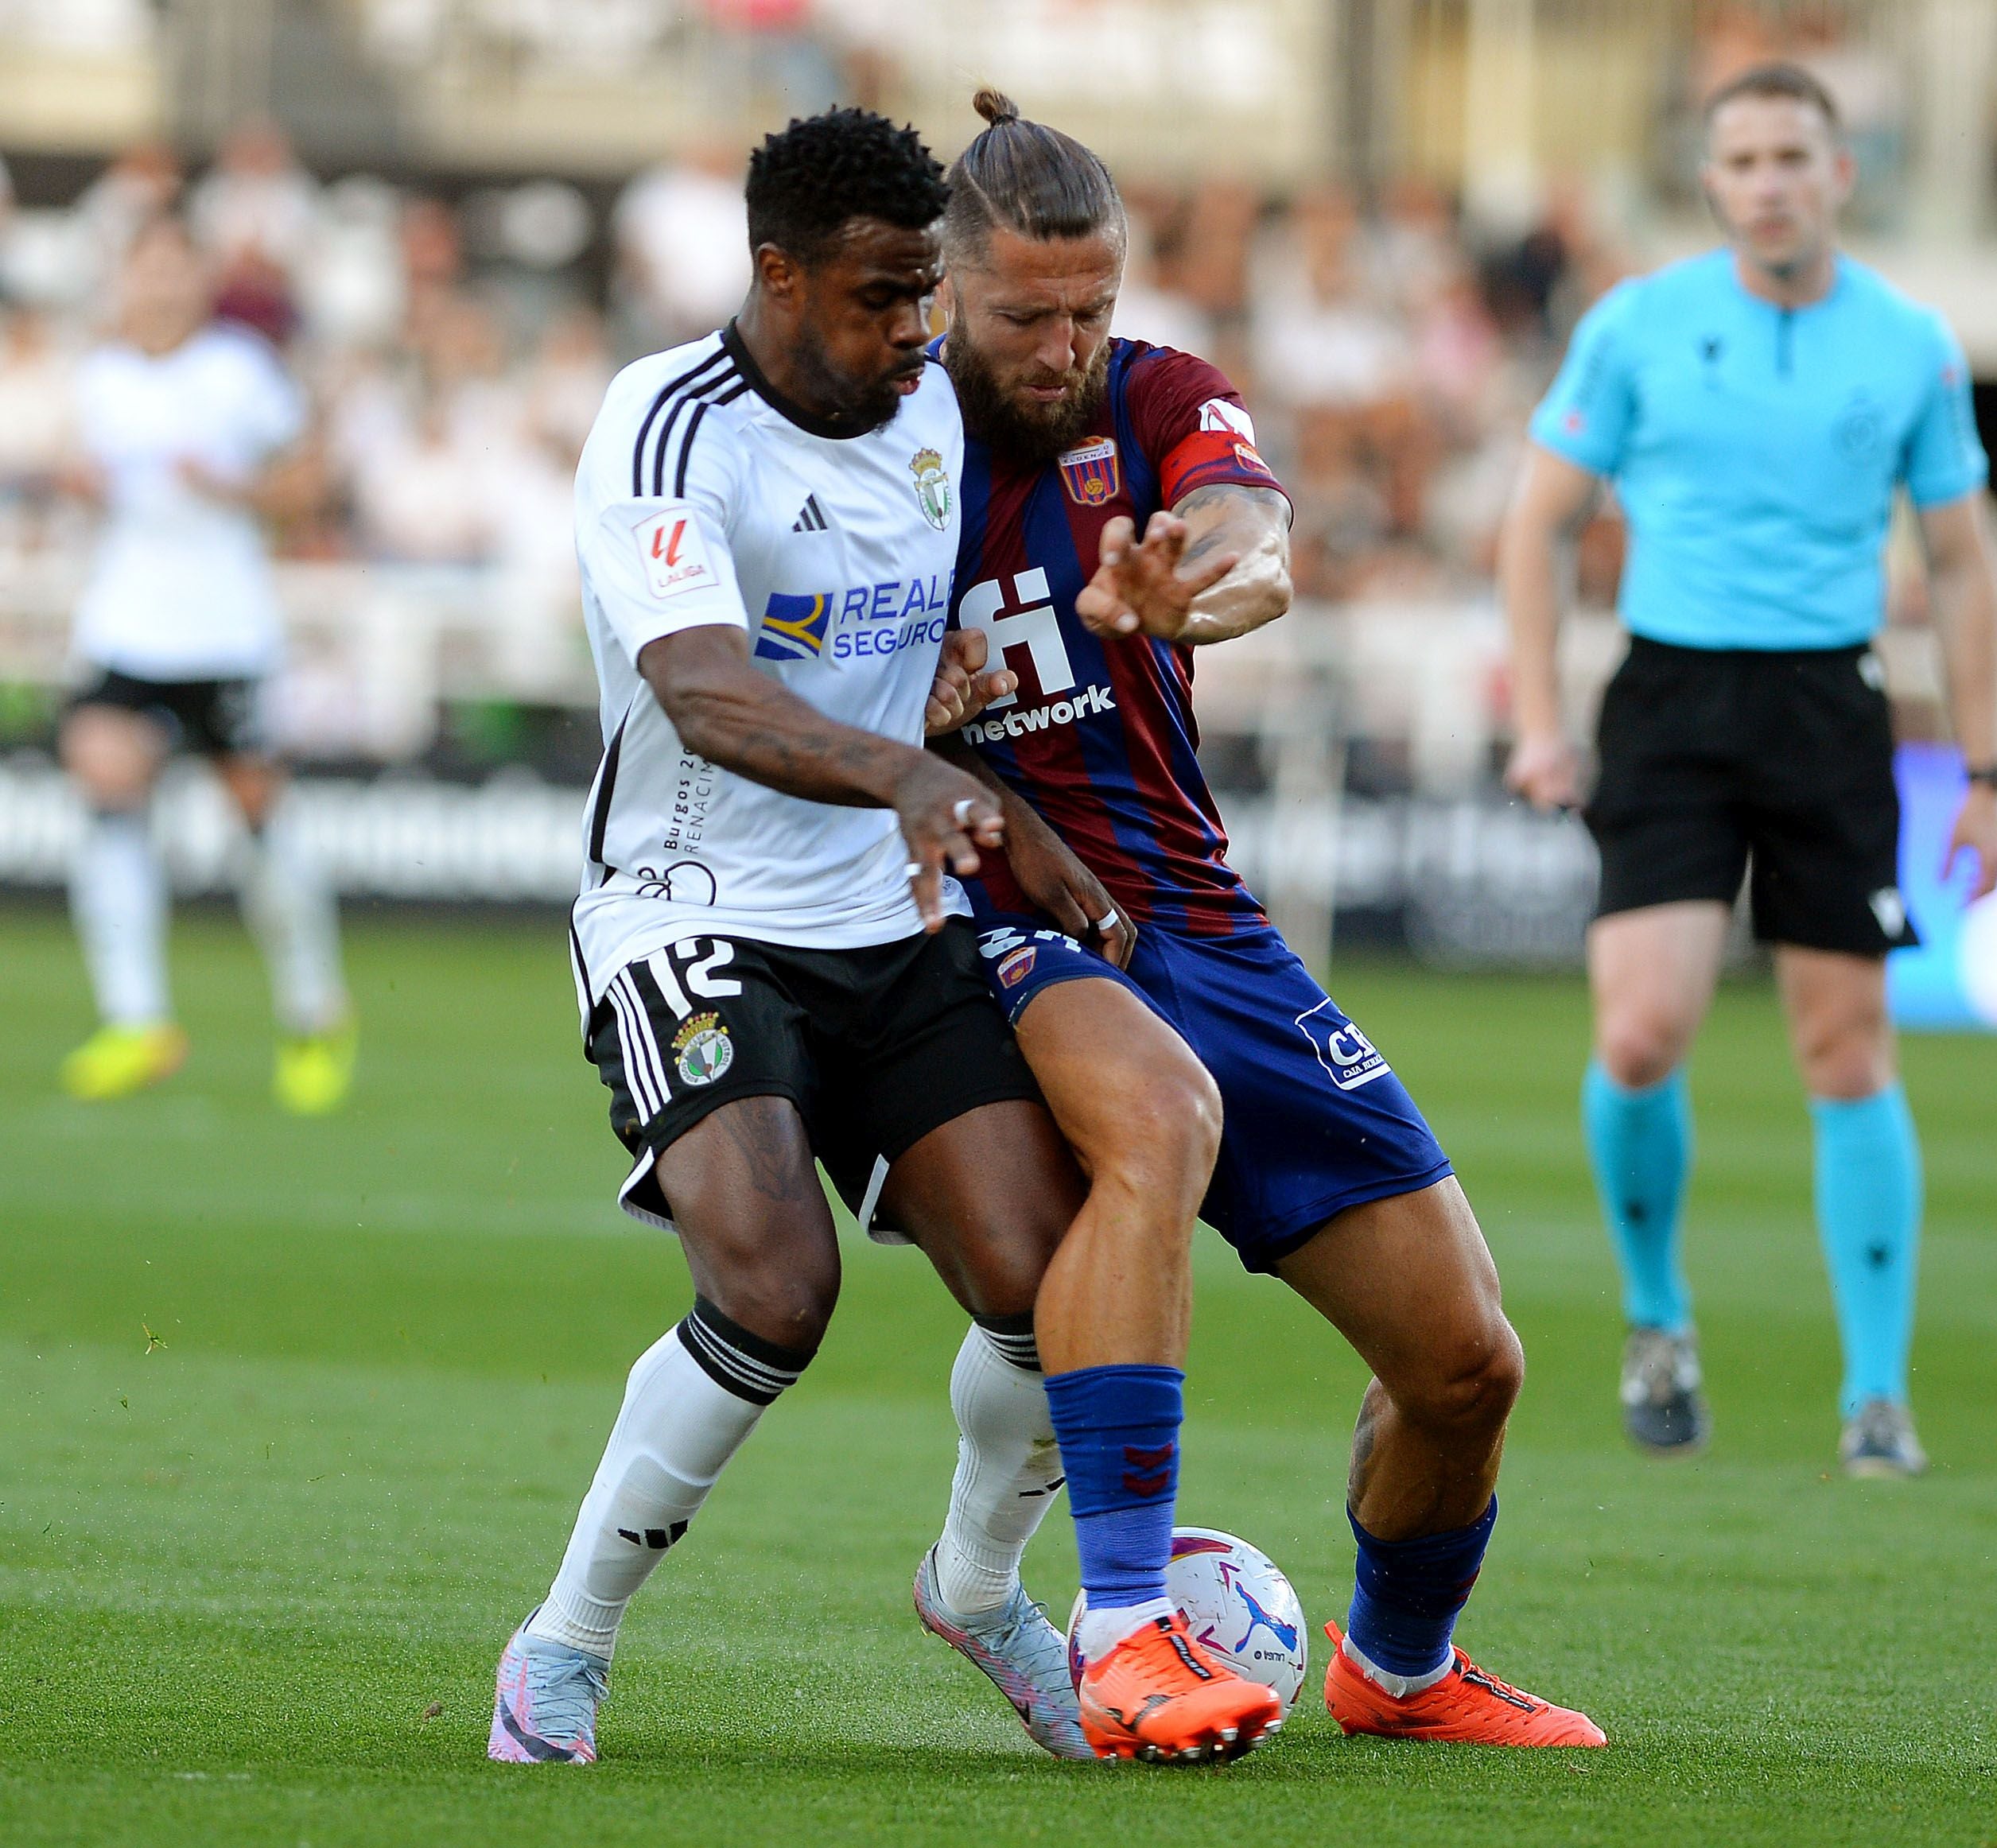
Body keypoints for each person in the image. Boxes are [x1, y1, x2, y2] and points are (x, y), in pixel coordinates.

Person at [488, 107, 1280, 1770]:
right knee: (776, 1286)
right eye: (879, 296)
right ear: (777, 274)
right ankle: (563, 1639)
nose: (918, 330)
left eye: (927, 292)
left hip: (887, 908)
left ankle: (979, 1588)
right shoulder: (666, 425)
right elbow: (705, 692)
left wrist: (1006, 806)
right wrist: (925, 778)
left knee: (1044, 1281)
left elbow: (935, 642)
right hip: (693, 909)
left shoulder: (929, 404)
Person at [911, 89, 1607, 1751]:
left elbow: (1258, 540)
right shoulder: (877, 442)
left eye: (1090, 308)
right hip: (985, 922)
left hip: (1197, 920)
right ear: (945, 288)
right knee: (1155, 1123)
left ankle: (1401, 1669)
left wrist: (1200, 580)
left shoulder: (1157, 395)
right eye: (1025, 316)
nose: (1064, 347)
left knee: (1467, 1361)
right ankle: (1126, 1625)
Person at [1494, 63, 1997, 1477]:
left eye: (1794, 155)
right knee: (1639, 1033)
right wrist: (1539, 717)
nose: (1769, 181)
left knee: (1844, 1046)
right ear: (1710, 182)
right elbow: (1537, 524)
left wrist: (1985, 772)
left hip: (1828, 707)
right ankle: (1656, 1320)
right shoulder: (1637, 325)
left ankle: (1877, 1396)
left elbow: (1962, 568)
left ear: (1841, 172)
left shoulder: (1908, 344)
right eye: (1743, 159)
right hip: (1669, 699)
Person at [56, 214, 354, 1113]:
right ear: (126, 277)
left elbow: (311, 484)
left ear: (199, 280)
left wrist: (235, 489)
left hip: (223, 629)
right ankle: (137, 1018)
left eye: (175, 269)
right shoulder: (102, 376)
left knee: (256, 811)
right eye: (146, 269)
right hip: (125, 622)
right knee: (104, 773)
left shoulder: (239, 372)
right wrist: (83, 486)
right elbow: (88, 477)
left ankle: (315, 1011)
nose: (160, 286)